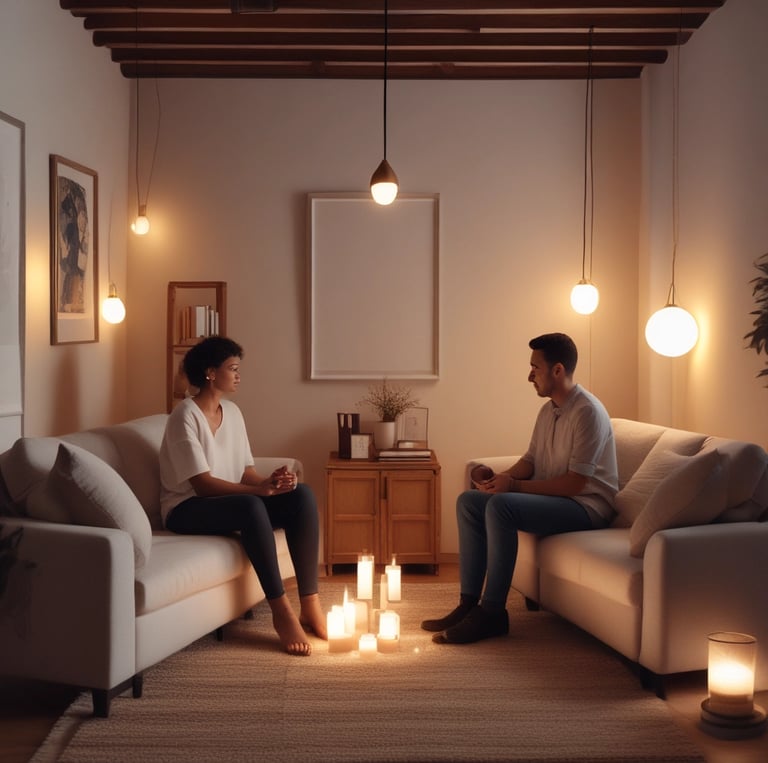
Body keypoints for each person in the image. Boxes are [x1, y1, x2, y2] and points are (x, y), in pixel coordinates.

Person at [422, 332, 618, 644]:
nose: (529, 375)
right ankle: (469, 604)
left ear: (557, 370)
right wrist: (498, 480)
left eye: (535, 368)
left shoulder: (588, 412)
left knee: (503, 507)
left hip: (587, 507)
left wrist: (513, 488)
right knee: (470, 501)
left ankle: (493, 613)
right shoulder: (548, 410)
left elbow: (575, 483)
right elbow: (530, 460)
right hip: (561, 500)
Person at [159, 336, 326, 656]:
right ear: (210, 372)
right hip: (186, 508)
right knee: (251, 505)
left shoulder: (232, 412)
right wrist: (257, 491)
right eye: (232, 368)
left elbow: (245, 471)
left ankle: (310, 605)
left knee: (301, 495)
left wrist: (272, 483)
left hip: (228, 504)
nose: (238, 375)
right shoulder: (184, 416)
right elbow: (203, 484)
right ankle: (282, 612)